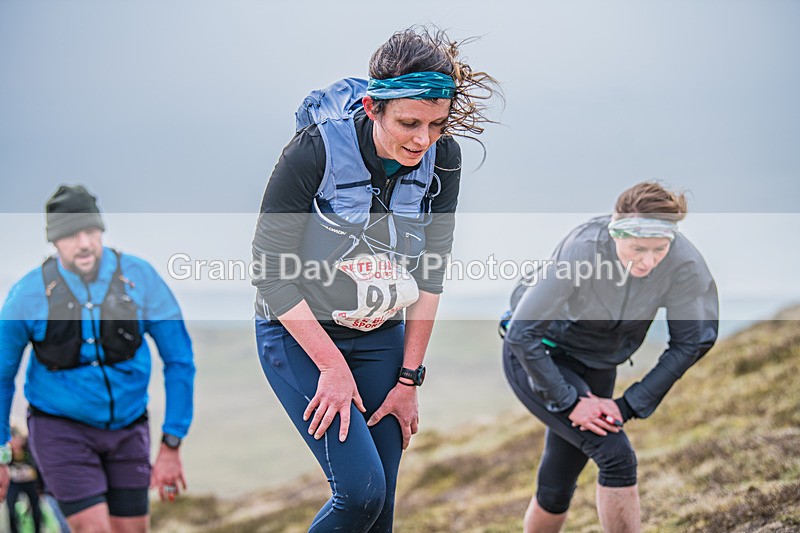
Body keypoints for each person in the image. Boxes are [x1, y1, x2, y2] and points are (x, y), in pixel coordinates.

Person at [252, 27, 499, 532]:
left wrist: (409, 379)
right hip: (300, 336)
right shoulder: (312, 152)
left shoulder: (441, 157)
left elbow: (432, 272)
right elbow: (269, 272)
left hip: (380, 336)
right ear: (372, 109)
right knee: (360, 496)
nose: (422, 139)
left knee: (380, 512)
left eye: (436, 123)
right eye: (409, 122)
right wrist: (331, 367)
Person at [502, 182, 719, 533]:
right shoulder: (584, 250)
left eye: (659, 249)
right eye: (638, 248)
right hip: (540, 355)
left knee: (558, 483)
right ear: (616, 232)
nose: (648, 260)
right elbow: (521, 333)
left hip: (600, 365)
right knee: (617, 457)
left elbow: (692, 342)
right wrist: (569, 401)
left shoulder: (684, 263)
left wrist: (630, 403)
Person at [0, 185, 196, 533]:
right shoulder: (27, 295)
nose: (85, 243)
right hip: (60, 429)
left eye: (91, 231)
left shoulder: (141, 279)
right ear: (54, 242)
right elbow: (2, 374)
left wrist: (172, 443)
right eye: (71, 234)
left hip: (129, 428)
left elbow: (179, 359)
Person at [6, 425, 42, 533]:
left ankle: (38, 530)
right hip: (14, 483)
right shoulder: (7, 453)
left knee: (35, 509)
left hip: (30, 482)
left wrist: (39, 487)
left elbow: (37, 467)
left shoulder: (29, 449)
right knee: (11, 510)